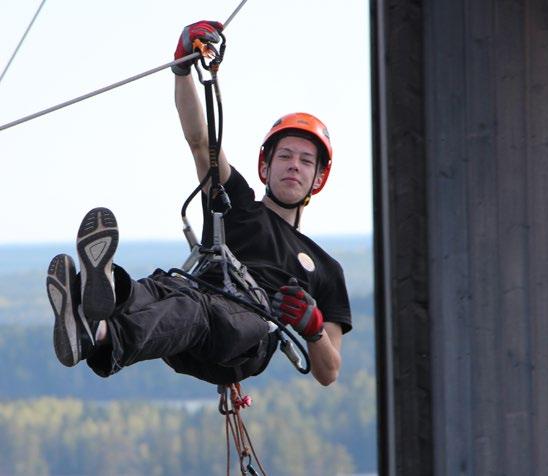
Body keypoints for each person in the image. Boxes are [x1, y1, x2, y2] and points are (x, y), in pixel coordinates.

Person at [45, 21, 351, 386]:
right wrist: (182, 69)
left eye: (305, 161)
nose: (293, 166)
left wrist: (313, 327)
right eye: (285, 156)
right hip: (192, 307)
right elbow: (199, 139)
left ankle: (97, 334)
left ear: (318, 178)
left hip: (246, 333)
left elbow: (329, 372)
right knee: (161, 288)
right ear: (265, 166)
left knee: (194, 309)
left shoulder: (326, 269)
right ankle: (101, 299)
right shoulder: (235, 202)